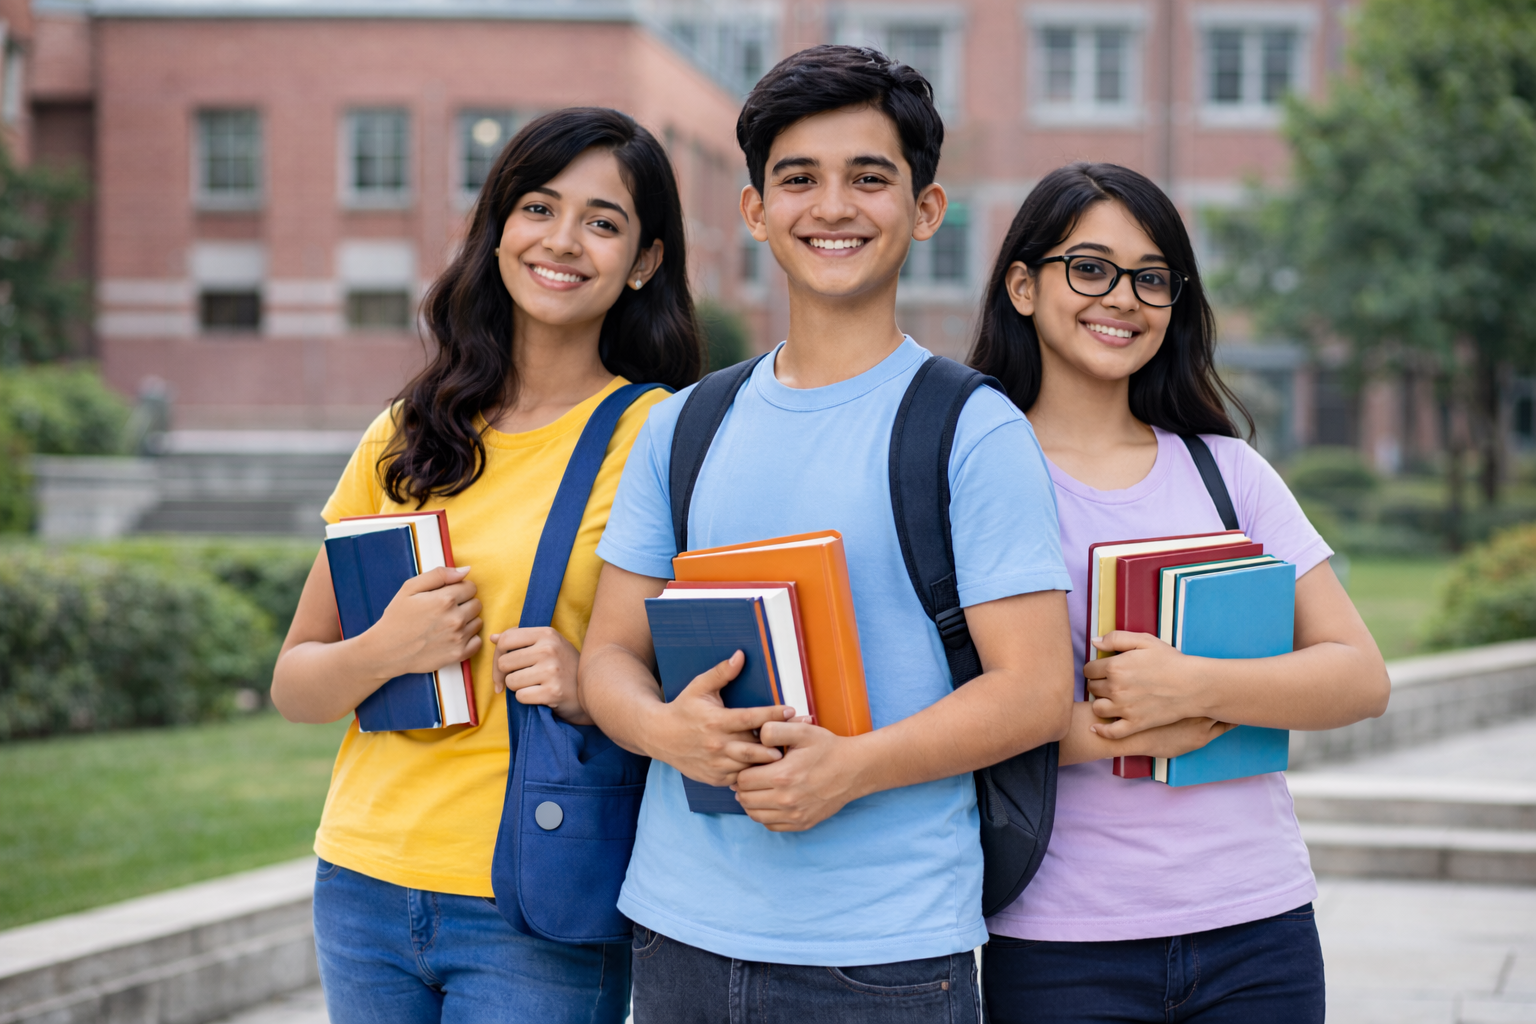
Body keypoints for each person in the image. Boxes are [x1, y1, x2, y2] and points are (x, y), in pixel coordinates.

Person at [577, 45, 1075, 1024]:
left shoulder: (971, 427)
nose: (832, 207)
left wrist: (853, 766)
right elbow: (607, 657)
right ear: (756, 210)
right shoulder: (684, 426)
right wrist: (665, 729)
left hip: (885, 954)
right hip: (678, 934)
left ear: (925, 211)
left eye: (869, 178)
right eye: (798, 179)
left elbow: (1035, 690)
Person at [269, 107, 700, 1024]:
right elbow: (296, 683)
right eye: (540, 207)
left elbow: (711, 668)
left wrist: (592, 685)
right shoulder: (408, 431)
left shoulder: (658, 434)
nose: (564, 241)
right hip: (362, 878)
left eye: (604, 221)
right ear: (499, 226)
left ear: (645, 262)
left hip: (536, 896)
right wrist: (385, 648)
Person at [968, 161, 1391, 1023]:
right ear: (1022, 284)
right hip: (1061, 944)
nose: (1120, 297)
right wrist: (1139, 720)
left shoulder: (1229, 472)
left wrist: (1196, 686)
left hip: (1258, 931)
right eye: (1089, 268)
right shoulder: (972, 480)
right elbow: (948, 715)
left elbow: (1359, 676)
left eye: (1151, 277)